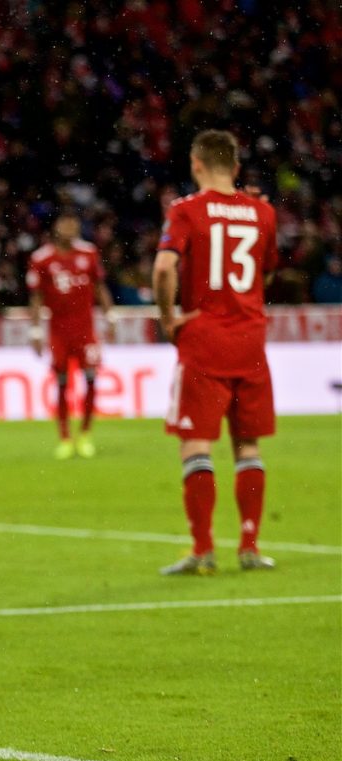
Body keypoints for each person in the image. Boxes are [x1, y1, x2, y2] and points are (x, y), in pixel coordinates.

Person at [153, 129, 278, 575]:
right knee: (248, 445)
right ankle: (249, 546)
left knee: (196, 445)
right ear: (238, 168)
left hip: (205, 339)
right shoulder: (264, 213)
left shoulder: (186, 210)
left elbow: (165, 267)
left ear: (196, 164)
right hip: (251, 340)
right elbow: (265, 269)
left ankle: (203, 549)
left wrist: (168, 318)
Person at [27, 211, 115, 459]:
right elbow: (36, 298)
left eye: (73, 222)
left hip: (86, 331)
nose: (70, 226)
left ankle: (85, 434)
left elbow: (99, 287)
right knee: (62, 383)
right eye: (65, 221)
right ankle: (65, 437)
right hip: (58, 333)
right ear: (56, 226)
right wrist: (35, 330)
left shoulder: (88, 253)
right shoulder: (41, 259)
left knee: (90, 380)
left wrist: (110, 316)